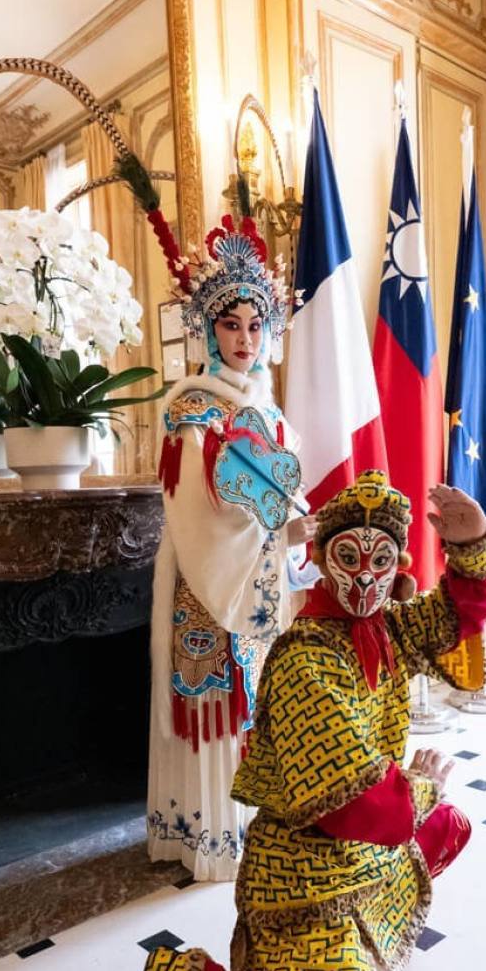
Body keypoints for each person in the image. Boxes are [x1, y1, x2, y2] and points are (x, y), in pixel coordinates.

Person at [130, 470, 486, 971]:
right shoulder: (308, 660)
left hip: (361, 854)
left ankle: (352, 946)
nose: (365, 578)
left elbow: (456, 612)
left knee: (451, 825)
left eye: (381, 560)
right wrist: (416, 786)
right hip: (301, 883)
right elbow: (363, 806)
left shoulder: (383, 630)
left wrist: (473, 542)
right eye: (349, 558)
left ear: (396, 563)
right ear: (326, 562)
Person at [147, 214, 315, 882]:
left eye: (255, 324)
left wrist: (293, 531)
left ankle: (260, 822)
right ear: (207, 329)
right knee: (219, 704)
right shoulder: (192, 409)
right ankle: (210, 838)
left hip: (261, 581)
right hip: (210, 581)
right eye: (230, 323)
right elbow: (200, 512)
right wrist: (282, 535)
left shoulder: (267, 411)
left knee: (260, 700)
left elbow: (278, 491)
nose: (245, 338)